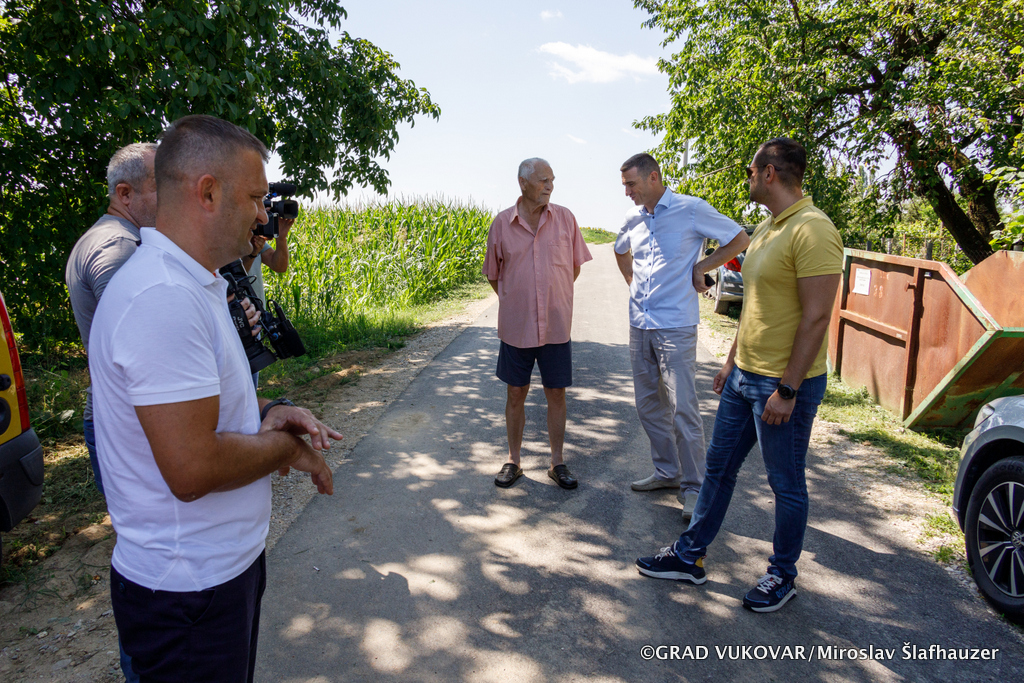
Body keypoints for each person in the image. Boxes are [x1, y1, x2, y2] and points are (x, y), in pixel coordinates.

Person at [89, 115, 341, 681]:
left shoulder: (197, 283)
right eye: (254, 197)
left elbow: (210, 405)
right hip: (188, 593)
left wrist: (272, 412)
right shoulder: (163, 297)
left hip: (215, 575)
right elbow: (193, 467)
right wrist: (287, 450)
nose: (263, 214)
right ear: (207, 192)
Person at [635, 138, 844, 613]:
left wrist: (788, 389)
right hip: (744, 376)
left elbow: (816, 318)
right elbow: (757, 307)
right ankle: (689, 555)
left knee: (785, 482)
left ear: (769, 173)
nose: (747, 177)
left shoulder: (813, 229)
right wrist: (731, 361)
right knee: (719, 469)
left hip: (782, 384)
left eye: (750, 170)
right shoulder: (768, 227)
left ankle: (782, 575)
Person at [614, 153, 749, 521]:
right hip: (639, 324)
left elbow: (739, 238)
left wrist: (702, 266)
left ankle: (694, 488)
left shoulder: (691, 209)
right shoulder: (632, 218)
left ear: (654, 177)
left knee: (682, 409)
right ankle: (667, 472)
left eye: (631, 184)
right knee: (647, 406)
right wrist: (632, 283)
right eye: (624, 185)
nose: (627, 192)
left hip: (675, 326)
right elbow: (620, 251)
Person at [483, 158, 592, 489]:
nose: (550, 186)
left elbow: (573, 267)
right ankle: (513, 461)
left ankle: (557, 462)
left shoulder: (565, 219)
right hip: (516, 327)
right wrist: (517, 299)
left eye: (552, 180)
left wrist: (551, 297)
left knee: (556, 393)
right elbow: (493, 274)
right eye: (544, 180)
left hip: (555, 325)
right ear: (523, 183)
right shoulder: (502, 224)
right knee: (515, 392)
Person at [66, 142, 158, 496]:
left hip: (122, 415)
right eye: (161, 186)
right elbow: (137, 344)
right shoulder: (118, 246)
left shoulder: (108, 236)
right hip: (129, 421)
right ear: (125, 193)